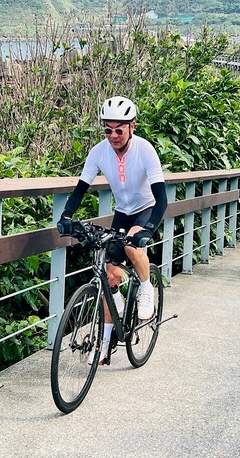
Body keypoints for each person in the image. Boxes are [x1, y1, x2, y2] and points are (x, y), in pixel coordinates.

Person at [57, 96, 167, 365]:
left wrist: (149, 229)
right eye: (108, 130)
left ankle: (145, 288)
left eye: (120, 129)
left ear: (132, 127)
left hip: (146, 208)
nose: (114, 135)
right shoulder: (99, 152)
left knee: (131, 244)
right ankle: (105, 345)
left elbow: (162, 198)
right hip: (122, 210)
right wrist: (66, 216)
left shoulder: (145, 150)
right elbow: (81, 189)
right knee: (109, 276)